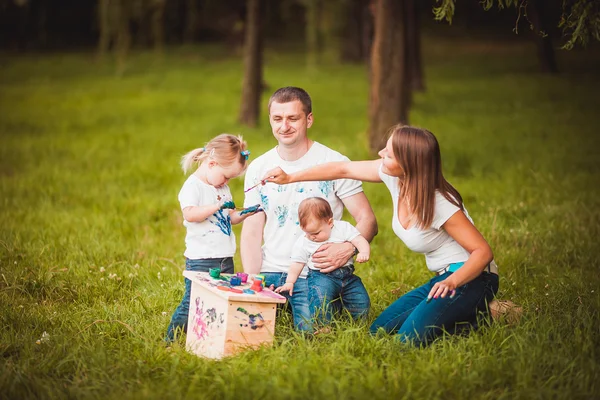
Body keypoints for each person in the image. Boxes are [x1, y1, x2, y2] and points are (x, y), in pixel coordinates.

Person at [263, 125, 499, 346]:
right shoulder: (395, 178)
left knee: (406, 342)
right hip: (442, 279)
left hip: (470, 278)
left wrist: (453, 281)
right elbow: (342, 168)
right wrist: (290, 177)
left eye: (389, 153)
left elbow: (482, 252)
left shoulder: (439, 203)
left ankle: (482, 309)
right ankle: (476, 311)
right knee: (380, 331)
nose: (380, 152)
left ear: (409, 163)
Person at [241, 86, 378, 332]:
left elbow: (367, 219)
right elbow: (251, 231)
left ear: (309, 119)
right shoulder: (258, 168)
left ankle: (333, 299)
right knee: (249, 328)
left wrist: (347, 249)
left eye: (293, 118)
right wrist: (253, 281)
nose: (285, 126)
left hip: (315, 273)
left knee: (311, 332)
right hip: (270, 271)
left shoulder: (334, 162)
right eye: (277, 119)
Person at [166, 134, 261, 342]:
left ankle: (211, 337)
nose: (227, 182)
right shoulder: (193, 187)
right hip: (202, 259)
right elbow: (190, 214)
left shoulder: (222, 188)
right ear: (211, 163)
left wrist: (247, 212)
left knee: (221, 300)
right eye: (226, 176)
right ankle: (171, 339)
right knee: (193, 301)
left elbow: (231, 218)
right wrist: (216, 206)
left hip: (225, 258)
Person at [275, 197, 371, 329]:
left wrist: (363, 252)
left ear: (330, 222)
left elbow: (359, 240)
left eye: (316, 232)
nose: (311, 237)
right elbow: (297, 262)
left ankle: (359, 325)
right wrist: (290, 282)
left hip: (347, 276)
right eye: (307, 233)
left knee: (360, 299)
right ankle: (323, 327)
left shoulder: (343, 228)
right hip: (321, 277)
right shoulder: (304, 241)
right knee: (320, 300)